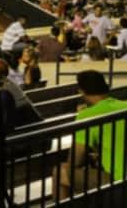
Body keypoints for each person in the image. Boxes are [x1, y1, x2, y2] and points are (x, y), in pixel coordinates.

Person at [55, 70, 127, 200]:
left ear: (81, 91)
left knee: (61, 171)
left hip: (118, 183)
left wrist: (82, 117)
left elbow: (75, 160)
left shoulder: (87, 115)